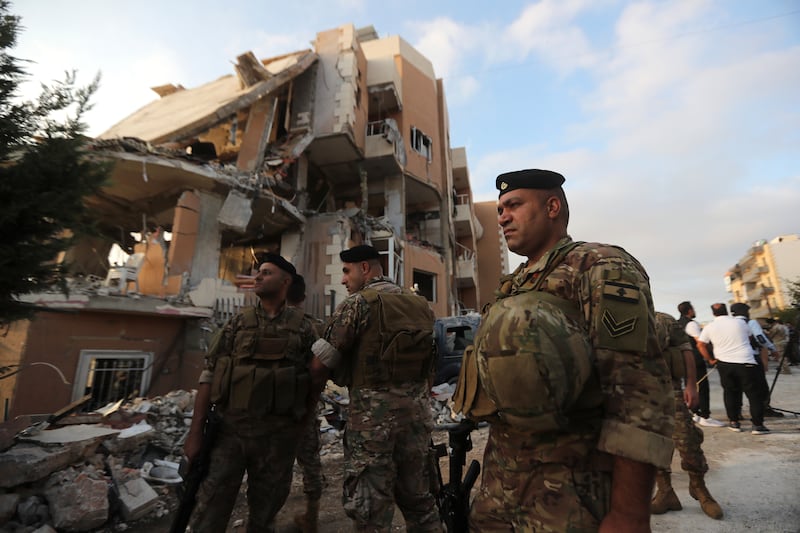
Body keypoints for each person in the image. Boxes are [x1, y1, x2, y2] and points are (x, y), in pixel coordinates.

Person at [453, 169, 675, 531]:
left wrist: (629, 513)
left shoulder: (600, 267)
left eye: (514, 205)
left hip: (570, 499)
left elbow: (638, 394)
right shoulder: (516, 284)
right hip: (500, 491)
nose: (502, 216)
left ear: (552, 206)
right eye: (499, 209)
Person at [308, 244, 442, 532]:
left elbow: (321, 365)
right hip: (417, 422)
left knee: (371, 513)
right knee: (421, 504)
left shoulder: (358, 304)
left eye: (347, 271)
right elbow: (430, 366)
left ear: (364, 269)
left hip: (373, 427)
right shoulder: (420, 305)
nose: (344, 279)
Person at [184, 254, 319, 532]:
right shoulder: (237, 324)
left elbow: (315, 379)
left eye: (266, 273)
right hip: (231, 434)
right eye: (258, 272)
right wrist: (195, 432)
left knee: (264, 516)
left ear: (285, 281)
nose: (257, 277)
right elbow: (208, 376)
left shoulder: (305, 328)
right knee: (209, 512)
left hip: (277, 440)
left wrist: (302, 424)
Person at [651, 312, 723, 519]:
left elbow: (686, 351)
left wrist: (691, 385)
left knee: (687, 440)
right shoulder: (619, 316)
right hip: (637, 392)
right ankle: (665, 493)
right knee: (651, 445)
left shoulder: (663, 319)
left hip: (670, 389)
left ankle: (699, 489)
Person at [287, 274, 325, 533]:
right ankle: (311, 517)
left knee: (268, 466)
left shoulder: (265, 323)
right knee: (310, 462)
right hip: (304, 408)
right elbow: (322, 370)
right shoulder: (314, 326)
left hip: (270, 411)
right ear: (303, 297)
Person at [696, 303, 769, 435]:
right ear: (727, 311)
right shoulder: (740, 323)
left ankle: (734, 422)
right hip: (745, 361)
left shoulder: (709, 327)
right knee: (753, 394)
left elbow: (700, 344)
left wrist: (710, 360)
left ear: (713, 313)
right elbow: (752, 338)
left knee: (730, 393)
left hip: (724, 364)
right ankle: (758, 425)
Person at [730, 303, 784, 418]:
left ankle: (736, 413)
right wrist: (772, 349)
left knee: (736, 387)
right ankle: (763, 408)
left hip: (732, 359)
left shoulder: (730, 324)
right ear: (745, 312)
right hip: (751, 357)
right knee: (760, 386)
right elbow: (760, 337)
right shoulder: (750, 322)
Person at [677, 301, 726, 427]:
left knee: (691, 385)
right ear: (689, 311)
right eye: (693, 309)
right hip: (695, 359)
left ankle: (695, 412)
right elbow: (700, 342)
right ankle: (704, 415)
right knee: (702, 387)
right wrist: (710, 358)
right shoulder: (691, 324)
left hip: (683, 359)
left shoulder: (678, 324)